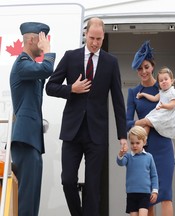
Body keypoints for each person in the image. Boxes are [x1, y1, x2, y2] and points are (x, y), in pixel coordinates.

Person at [45, 17, 128, 216]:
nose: (95, 43)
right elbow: (50, 87)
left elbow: (118, 101)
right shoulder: (71, 57)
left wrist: (122, 136)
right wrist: (71, 89)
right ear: (85, 34)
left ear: (103, 37)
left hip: (96, 135)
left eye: (99, 39)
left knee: (92, 187)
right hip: (72, 132)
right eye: (92, 38)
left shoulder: (110, 62)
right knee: (67, 181)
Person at [9, 22, 55, 216]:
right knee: (26, 198)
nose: (46, 43)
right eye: (43, 39)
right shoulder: (22, 64)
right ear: (32, 39)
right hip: (25, 139)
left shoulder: (29, 66)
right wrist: (48, 52)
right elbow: (47, 69)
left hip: (32, 140)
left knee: (33, 196)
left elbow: (44, 72)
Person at [126, 40, 174, 216]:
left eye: (146, 66)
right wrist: (142, 122)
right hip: (145, 150)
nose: (143, 71)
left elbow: (172, 116)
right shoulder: (133, 93)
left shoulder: (164, 89)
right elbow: (127, 122)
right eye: (139, 69)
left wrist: (148, 122)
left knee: (166, 196)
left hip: (164, 147)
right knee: (149, 198)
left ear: (152, 66)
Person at [117, 125, 159, 216]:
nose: (134, 145)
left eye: (137, 143)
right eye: (132, 143)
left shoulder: (149, 157)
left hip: (145, 194)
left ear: (144, 142)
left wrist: (155, 191)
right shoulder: (128, 157)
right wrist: (121, 154)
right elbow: (121, 163)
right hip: (131, 194)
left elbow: (154, 175)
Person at [136, 66, 175, 139]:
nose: (164, 81)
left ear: (171, 81)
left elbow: (172, 105)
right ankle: (144, 139)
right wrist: (143, 94)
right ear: (159, 84)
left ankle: (132, 125)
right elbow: (154, 98)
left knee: (145, 121)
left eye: (166, 79)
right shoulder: (162, 92)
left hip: (167, 114)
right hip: (160, 113)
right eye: (161, 80)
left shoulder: (173, 92)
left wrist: (164, 106)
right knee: (147, 122)